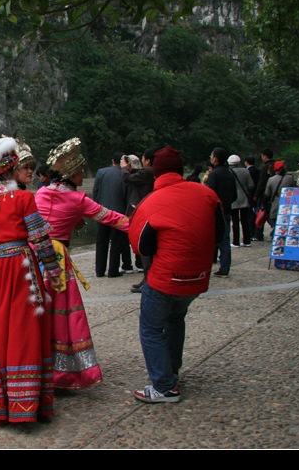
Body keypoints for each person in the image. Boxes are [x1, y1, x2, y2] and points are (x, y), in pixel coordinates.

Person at [0, 136, 63, 423]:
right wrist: (53, 273)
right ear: (9, 169)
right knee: (23, 329)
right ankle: (24, 403)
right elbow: (41, 240)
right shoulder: (23, 198)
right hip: (21, 269)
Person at [128, 145, 224, 403]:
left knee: (150, 327)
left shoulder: (152, 202)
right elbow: (220, 234)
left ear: (155, 172)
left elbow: (139, 245)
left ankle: (163, 386)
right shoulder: (207, 194)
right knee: (176, 319)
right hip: (197, 278)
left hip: (165, 277)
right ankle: (172, 371)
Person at [35, 137, 130, 390]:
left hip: (33, 255)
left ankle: (31, 365)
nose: (82, 176)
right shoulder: (78, 200)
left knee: (35, 311)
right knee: (61, 315)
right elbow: (110, 217)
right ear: (72, 174)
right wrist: (141, 224)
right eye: (80, 172)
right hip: (56, 257)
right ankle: (62, 371)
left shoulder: (42, 192)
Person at [121, 148, 158, 293]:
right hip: (148, 209)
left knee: (144, 245)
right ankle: (146, 279)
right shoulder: (150, 172)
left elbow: (127, 179)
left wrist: (124, 167)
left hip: (142, 211)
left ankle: (148, 280)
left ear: (147, 160)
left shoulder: (148, 172)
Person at [92, 152, 131, 277]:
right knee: (116, 242)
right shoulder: (125, 174)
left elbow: (95, 192)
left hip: (102, 211)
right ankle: (113, 270)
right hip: (119, 212)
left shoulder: (101, 172)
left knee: (101, 241)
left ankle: (99, 270)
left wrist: (96, 209)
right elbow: (127, 195)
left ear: (113, 161)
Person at [205, 148, 237, 277]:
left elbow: (210, 194)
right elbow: (234, 194)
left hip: (215, 211)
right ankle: (225, 268)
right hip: (227, 209)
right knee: (225, 239)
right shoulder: (229, 173)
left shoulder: (214, 174)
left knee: (210, 239)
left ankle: (206, 266)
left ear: (215, 159)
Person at [263, 161, 296, 239]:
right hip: (288, 203)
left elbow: (267, 194)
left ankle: (276, 234)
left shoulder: (271, 179)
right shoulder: (290, 178)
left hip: (275, 203)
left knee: (274, 220)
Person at [228, 154, 255, 248]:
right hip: (244, 197)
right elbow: (251, 185)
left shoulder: (229, 171)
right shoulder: (245, 171)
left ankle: (236, 241)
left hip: (233, 197)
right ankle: (247, 240)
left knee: (235, 220)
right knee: (245, 220)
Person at [252, 148, 276, 241]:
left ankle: (258, 234)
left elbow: (261, 182)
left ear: (265, 156)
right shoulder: (275, 164)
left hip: (265, 193)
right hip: (275, 193)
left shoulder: (265, 167)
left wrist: (256, 194)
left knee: (262, 212)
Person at [244, 156, 261, 238]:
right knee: (256, 213)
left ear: (247, 162)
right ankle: (256, 232)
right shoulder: (258, 170)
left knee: (249, 215)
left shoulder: (247, 171)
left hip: (249, 195)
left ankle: (251, 232)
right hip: (256, 194)